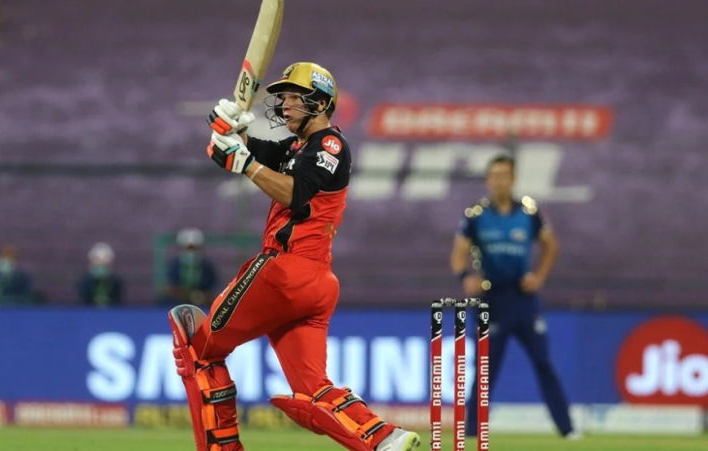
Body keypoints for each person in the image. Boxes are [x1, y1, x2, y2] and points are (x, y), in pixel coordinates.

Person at [168, 62, 420, 451]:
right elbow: (238, 150)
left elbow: (294, 193)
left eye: (292, 98)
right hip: (315, 285)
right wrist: (227, 129)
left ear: (319, 103)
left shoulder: (329, 145)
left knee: (197, 351)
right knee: (312, 389)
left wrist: (245, 163)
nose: (284, 106)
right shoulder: (296, 148)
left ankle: (221, 448)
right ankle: (385, 439)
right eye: (283, 98)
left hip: (285, 271)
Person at [450, 154, 580, 439]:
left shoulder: (529, 212)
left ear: (513, 179)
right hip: (491, 300)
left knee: (543, 362)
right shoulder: (476, 215)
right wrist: (466, 278)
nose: (500, 181)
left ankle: (568, 430)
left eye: (505, 175)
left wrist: (539, 277)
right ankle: (471, 432)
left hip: (523, 299)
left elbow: (551, 246)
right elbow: (458, 254)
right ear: (488, 180)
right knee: (485, 370)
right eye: (495, 176)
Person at [160, 228, 218, 307]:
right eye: (188, 248)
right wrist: (189, 295)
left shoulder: (207, 267)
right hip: (178, 302)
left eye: (194, 248)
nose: (191, 251)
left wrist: (202, 297)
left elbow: (213, 286)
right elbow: (170, 286)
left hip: (202, 303)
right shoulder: (174, 266)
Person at [78, 242, 123, 307]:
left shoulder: (116, 283)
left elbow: (118, 302)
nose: (101, 262)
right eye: (97, 259)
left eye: (105, 258)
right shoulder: (84, 282)